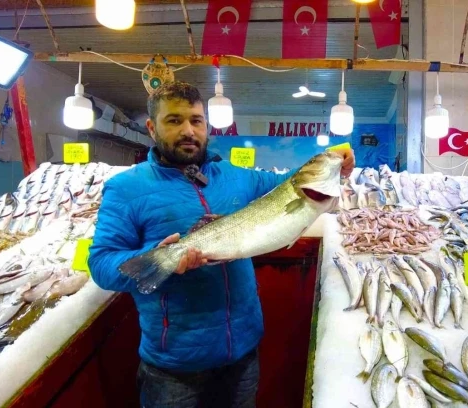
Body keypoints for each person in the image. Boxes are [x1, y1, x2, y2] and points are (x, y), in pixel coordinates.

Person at [87, 81, 355, 408]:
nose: (188, 130)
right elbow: (101, 265)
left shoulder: (236, 177)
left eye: (196, 121)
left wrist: (332, 165)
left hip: (242, 353)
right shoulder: (126, 188)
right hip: (174, 367)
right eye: (174, 120)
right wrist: (160, 257)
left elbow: (292, 187)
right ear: (151, 127)